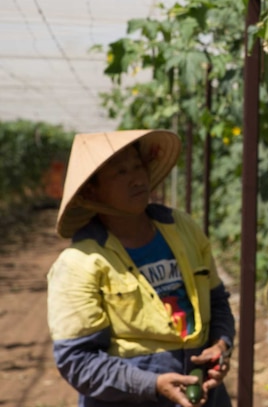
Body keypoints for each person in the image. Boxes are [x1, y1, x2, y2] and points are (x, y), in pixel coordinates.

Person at [46, 130, 236, 407]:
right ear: (91, 190)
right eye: (120, 172)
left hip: (205, 395)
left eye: (138, 166)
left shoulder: (182, 228)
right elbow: (77, 361)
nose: (137, 178)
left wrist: (221, 345)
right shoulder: (78, 264)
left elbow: (217, 301)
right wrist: (152, 384)